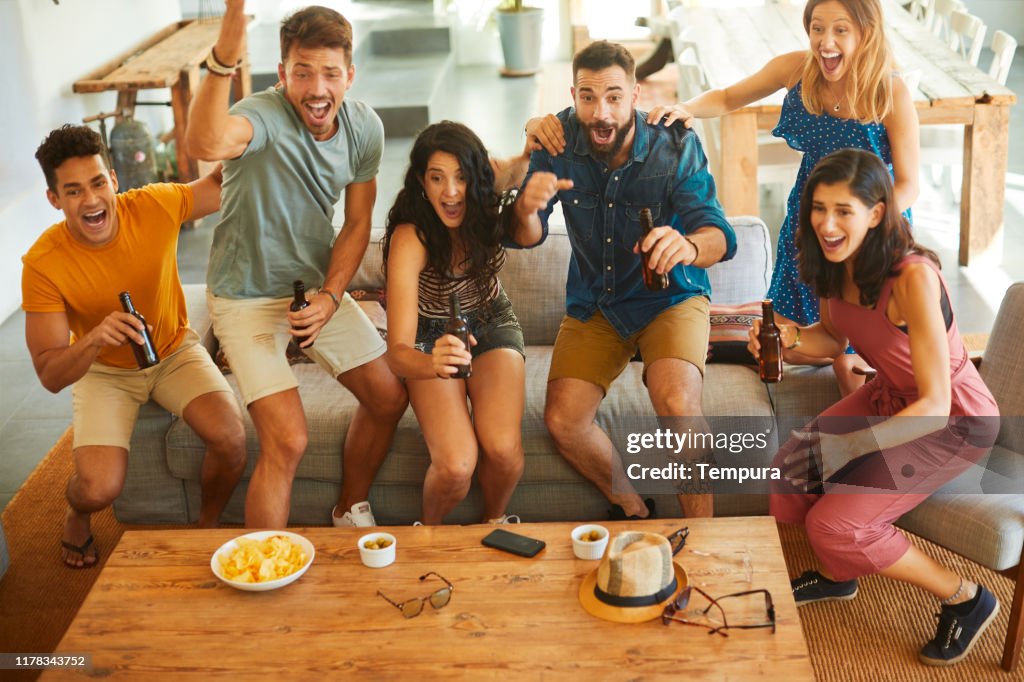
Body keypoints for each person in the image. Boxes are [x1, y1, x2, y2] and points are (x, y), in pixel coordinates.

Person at [749, 148, 999, 667]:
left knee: (835, 527)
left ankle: (967, 598)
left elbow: (933, 403)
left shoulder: (913, 279)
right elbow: (831, 338)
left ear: (877, 213)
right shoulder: (831, 261)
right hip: (890, 397)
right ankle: (843, 575)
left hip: (952, 420)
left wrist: (852, 446)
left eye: (844, 210)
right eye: (819, 208)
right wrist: (790, 341)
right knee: (789, 474)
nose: (827, 223)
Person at [185, 2, 407, 529]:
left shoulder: (363, 129)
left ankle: (347, 507)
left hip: (312, 293)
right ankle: (263, 566)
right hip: (243, 299)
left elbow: (356, 224)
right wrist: (224, 57)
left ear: (349, 76)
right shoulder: (261, 117)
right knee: (288, 439)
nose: (317, 89)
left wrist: (331, 297)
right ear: (282, 73)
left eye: (330, 73)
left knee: (388, 397)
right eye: (302, 72)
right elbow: (205, 142)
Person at [639, 0, 920, 396]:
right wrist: (685, 108)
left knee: (853, 355)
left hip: (874, 231)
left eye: (840, 30)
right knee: (781, 340)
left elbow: (908, 184)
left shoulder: (889, 91)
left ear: (866, 32)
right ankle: (776, 336)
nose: (825, 42)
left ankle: (851, 364)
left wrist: (867, 227)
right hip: (814, 220)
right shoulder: (797, 69)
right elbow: (726, 97)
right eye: (817, 28)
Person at [511, 40, 737, 520]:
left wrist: (691, 246)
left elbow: (720, 235)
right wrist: (527, 208)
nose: (601, 112)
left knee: (677, 405)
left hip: (671, 298)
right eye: (588, 97)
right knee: (563, 420)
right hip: (597, 302)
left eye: (614, 97)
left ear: (636, 94)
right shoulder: (557, 141)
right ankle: (633, 507)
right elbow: (525, 237)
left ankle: (704, 540)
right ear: (573, 94)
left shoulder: (674, 143)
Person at [22, 124, 247, 568]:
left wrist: (265, 121)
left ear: (114, 180)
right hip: (104, 369)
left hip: (173, 350)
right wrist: (93, 340)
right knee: (98, 488)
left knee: (231, 438)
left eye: (97, 183)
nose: (90, 200)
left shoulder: (155, 205)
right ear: (55, 200)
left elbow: (224, 183)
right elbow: (50, 376)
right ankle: (76, 513)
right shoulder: (43, 263)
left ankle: (206, 528)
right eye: (72, 191)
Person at [383, 121, 536, 525]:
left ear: (477, 178)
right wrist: (432, 362)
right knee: (455, 466)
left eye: (461, 178)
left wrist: (528, 147)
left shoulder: (487, 194)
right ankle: (428, 537)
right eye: (437, 178)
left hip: (490, 322)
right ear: (421, 181)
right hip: (429, 339)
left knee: (503, 450)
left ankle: (492, 524)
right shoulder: (409, 237)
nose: (450, 192)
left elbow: (519, 167)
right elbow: (397, 353)